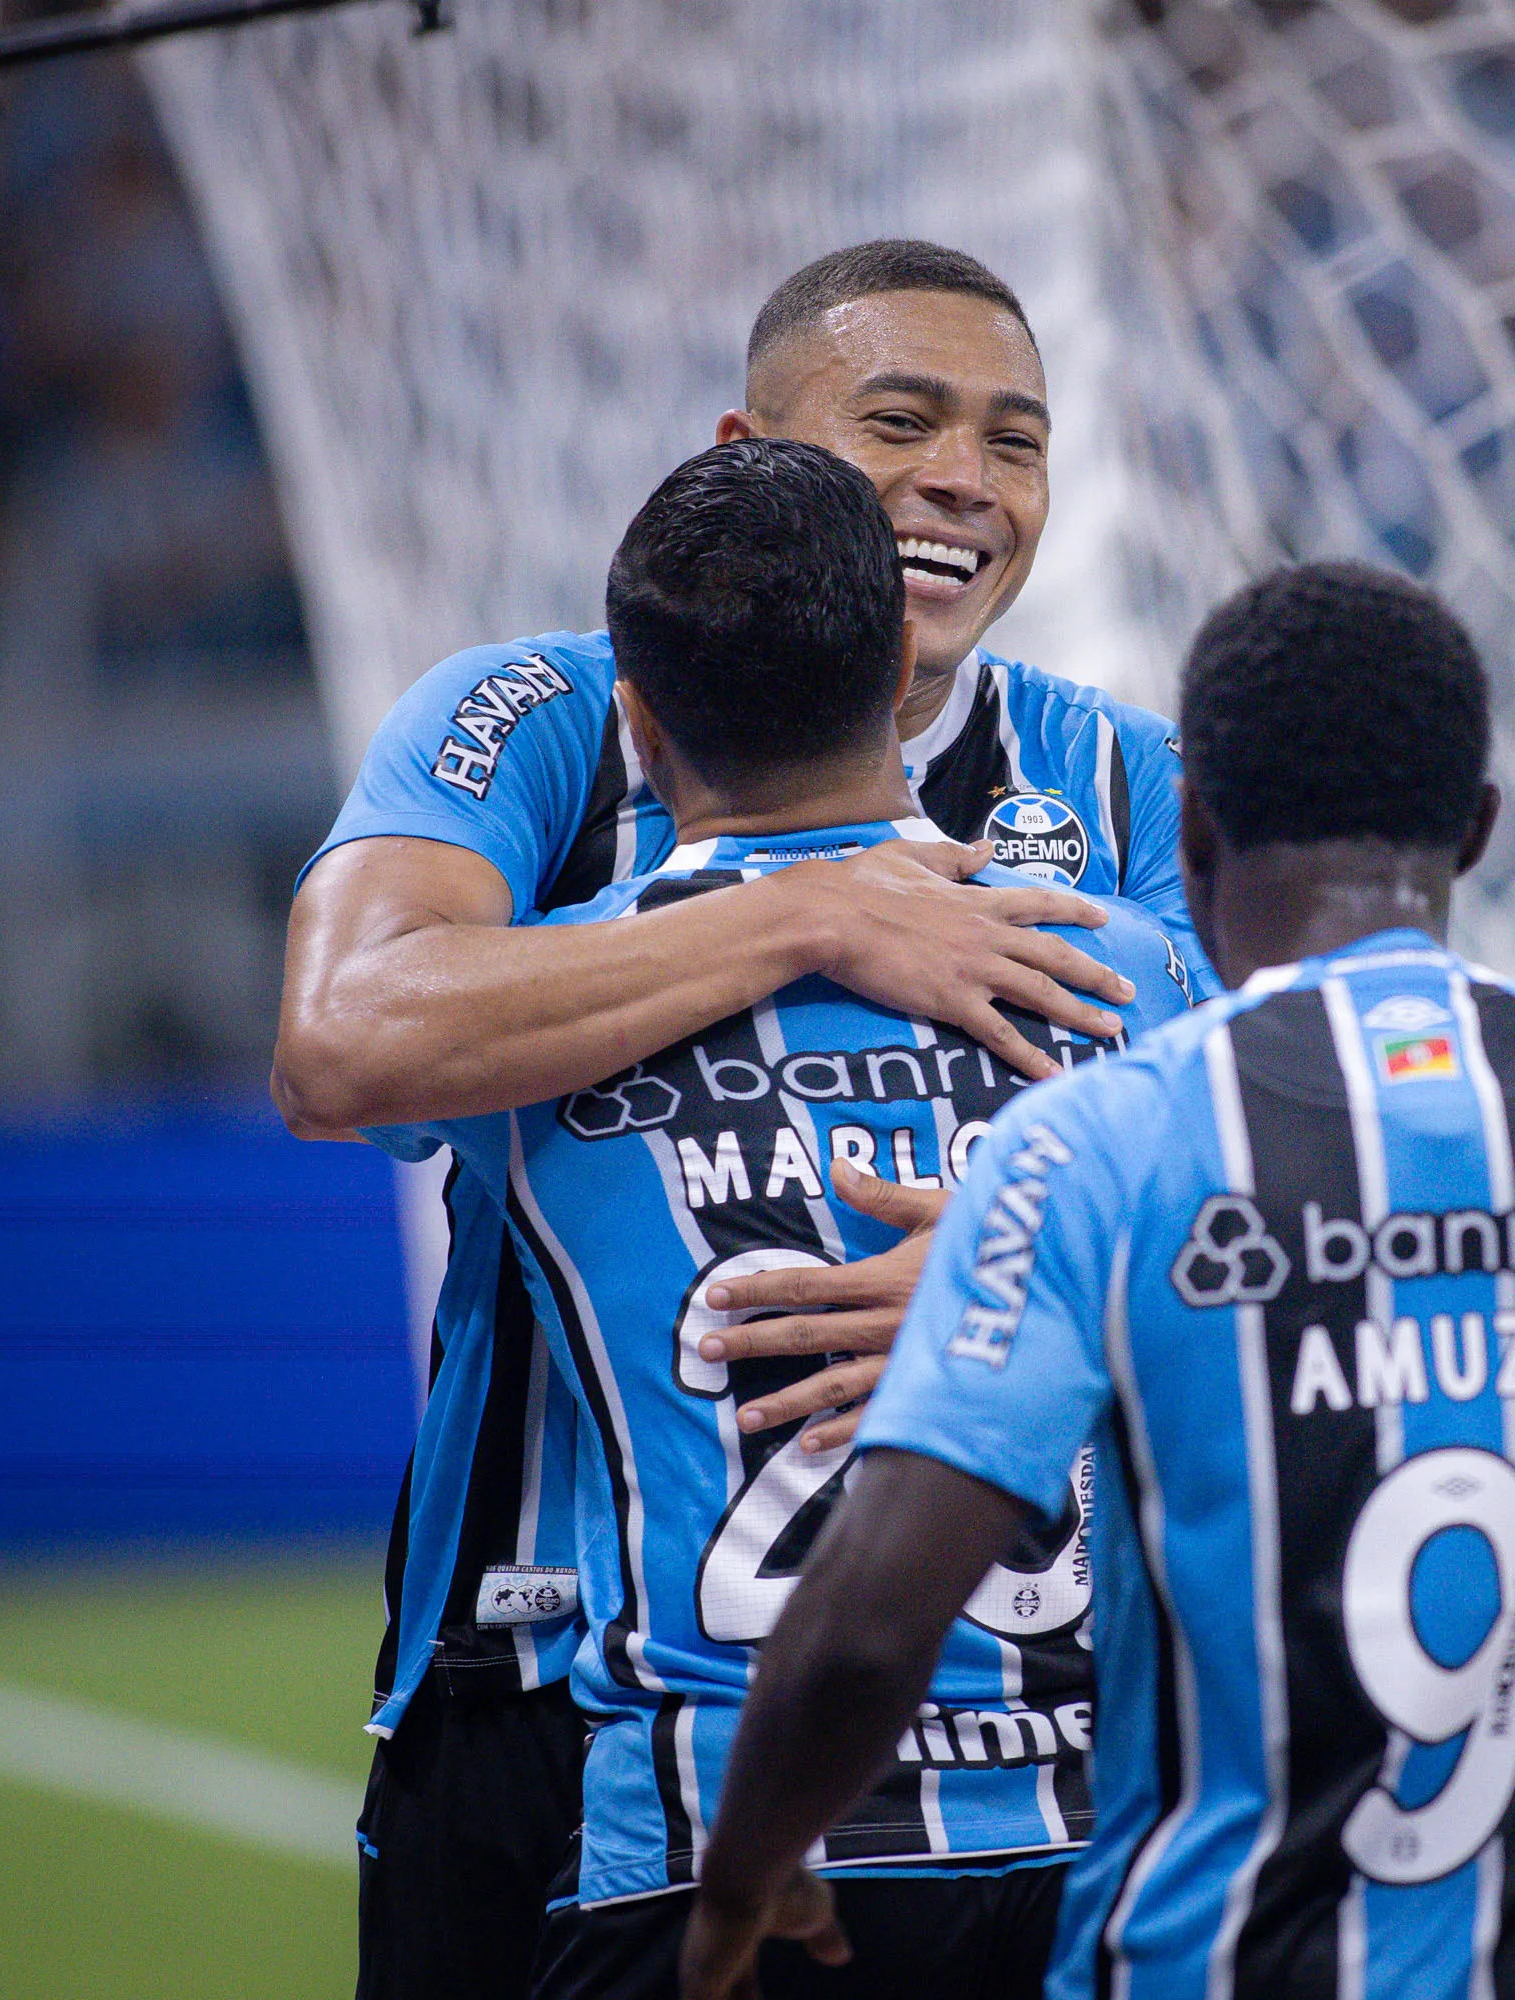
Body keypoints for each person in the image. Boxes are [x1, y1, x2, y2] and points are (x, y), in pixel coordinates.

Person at [668, 561, 1515, 2000]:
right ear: (1477, 830)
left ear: (1191, 835)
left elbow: (866, 1631)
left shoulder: (1101, 1145)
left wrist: (744, 1876)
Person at [284, 241, 1200, 2000]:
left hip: (1037, 1721)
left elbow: (1276, 1191)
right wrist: (810, 913)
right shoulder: (546, 720)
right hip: (532, 1688)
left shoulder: (1122, 779)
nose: (965, 479)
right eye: (903, 422)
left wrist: (1028, 1277)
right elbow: (341, 1045)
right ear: (743, 456)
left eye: (1013, 440)